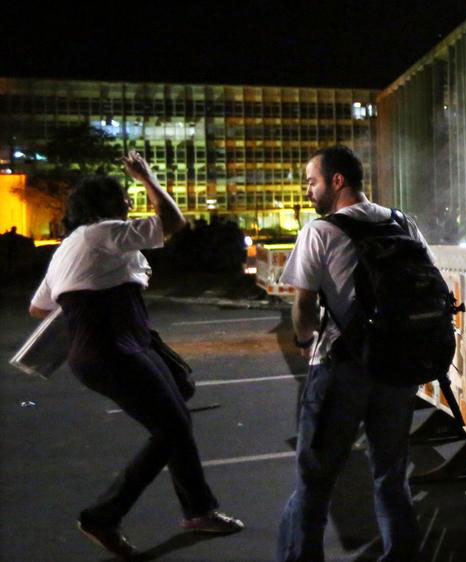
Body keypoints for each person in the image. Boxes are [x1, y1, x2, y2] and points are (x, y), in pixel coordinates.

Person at [28, 151, 243, 559]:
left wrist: (83, 291)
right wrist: (146, 176)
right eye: (122, 197)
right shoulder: (102, 232)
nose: (129, 202)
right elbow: (173, 221)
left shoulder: (69, 248)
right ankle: (104, 516)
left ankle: (198, 509)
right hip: (112, 348)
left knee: (178, 400)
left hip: (116, 345)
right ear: (103, 207)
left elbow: (38, 308)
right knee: (173, 427)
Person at [277, 145, 423, 562]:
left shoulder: (320, 232)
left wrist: (306, 344)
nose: (308, 190)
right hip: (398, 366)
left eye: (312, 181)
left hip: (341, 367)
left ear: (336, 181)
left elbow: (303, 305)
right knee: (391, 474)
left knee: (316, 478)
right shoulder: (402, 222)